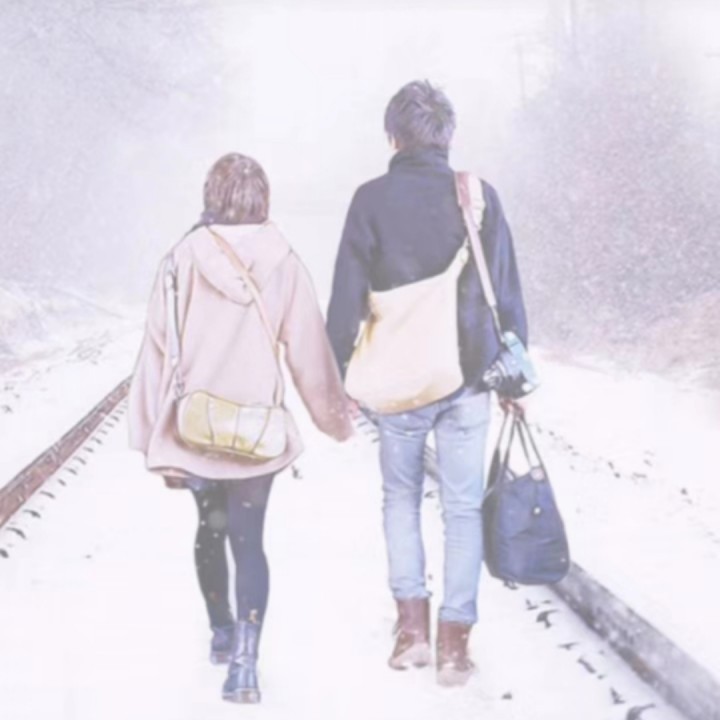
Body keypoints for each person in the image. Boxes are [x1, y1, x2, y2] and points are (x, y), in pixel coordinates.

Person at [128, 153, 353, 704]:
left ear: (211, 195)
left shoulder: (181, 258)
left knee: (210, 528)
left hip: (194, 427)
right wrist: (333, 417)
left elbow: (156, 348)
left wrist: (151, 434)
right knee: (249, 541)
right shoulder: (284, 262)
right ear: (263, 199)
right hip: (257, 432)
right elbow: (307, 349)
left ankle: (222, 632)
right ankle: (246, 665)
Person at [326, 81, 528, 687]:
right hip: (468, 376)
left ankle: (411, 632)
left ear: (393, 136)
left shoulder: (370, 200)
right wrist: (513, 375)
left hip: (400, 381)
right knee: (463, 509)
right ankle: (456, 645)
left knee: (400, 499)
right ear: (447, 136)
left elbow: (346, 298)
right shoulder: (477, 196)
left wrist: (336, 372)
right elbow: (506, 289)